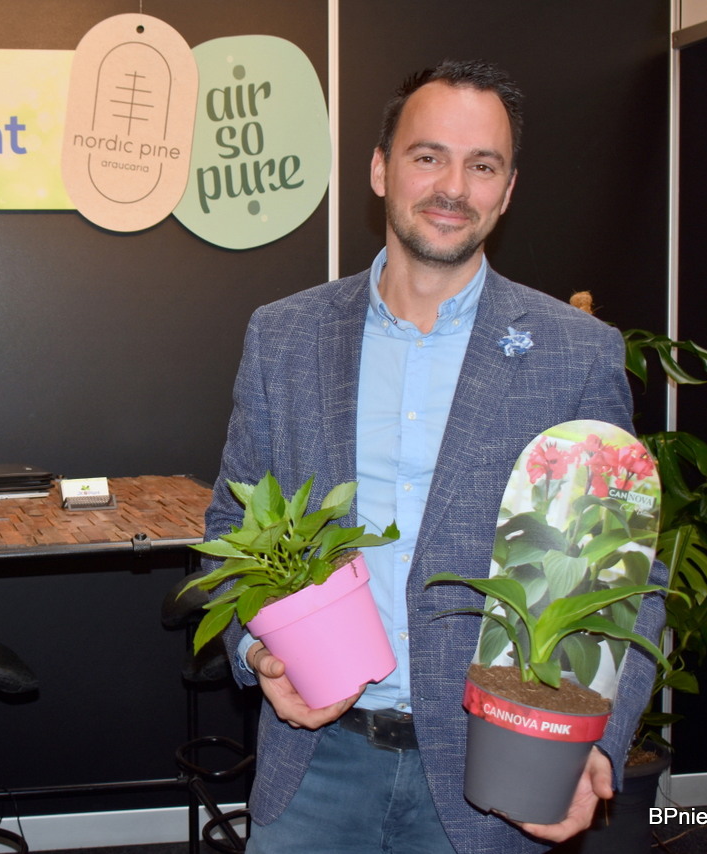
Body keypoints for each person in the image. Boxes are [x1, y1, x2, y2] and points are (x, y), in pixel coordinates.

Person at [204, 60, 666, 854]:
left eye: (481, 165)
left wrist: (597, 742)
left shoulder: (576, 353)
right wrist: (257, 652)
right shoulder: (284, 336)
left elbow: (625, 575)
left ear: (507, 190)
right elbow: (229, 527)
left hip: (496, 770)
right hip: (315, 764)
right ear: (381, 170)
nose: (453, 187)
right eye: (428, 156)